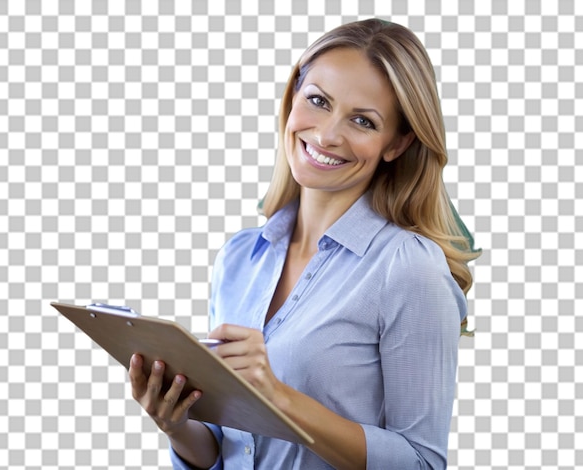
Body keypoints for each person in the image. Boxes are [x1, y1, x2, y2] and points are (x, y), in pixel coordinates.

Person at [129, 18, 480, 469]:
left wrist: (280, 398)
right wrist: (176, 423)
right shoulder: (241, 257)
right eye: (318, 100)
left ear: (398, 143)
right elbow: (231, 448)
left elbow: (421, 461)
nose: (328, 135)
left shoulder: (408, 269)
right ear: (293, 97)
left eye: (362, 120)